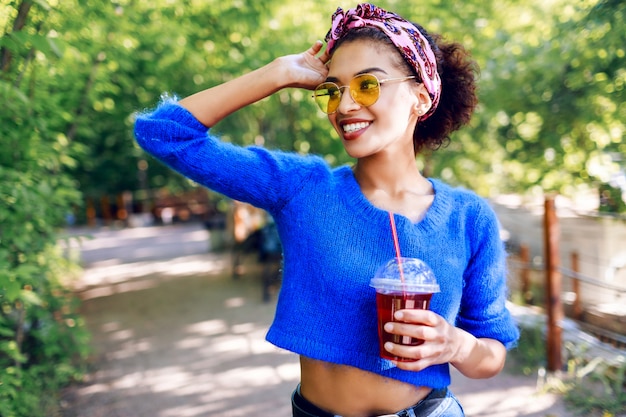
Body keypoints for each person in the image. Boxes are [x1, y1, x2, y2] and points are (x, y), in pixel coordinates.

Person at [134, 3, 520, 416]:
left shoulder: (469, 217)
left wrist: (457, 344)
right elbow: (164, 133)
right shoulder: (301, 187)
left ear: (420, 97)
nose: (345, 105)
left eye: (367, 85)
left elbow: (491, 354)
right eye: (333, 90)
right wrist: (277, 74)